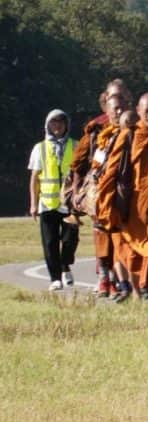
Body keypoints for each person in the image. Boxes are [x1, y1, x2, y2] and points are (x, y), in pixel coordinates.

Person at [70, 80, 131, 297]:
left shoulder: (135, 127)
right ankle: (106, 277)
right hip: (101, 192)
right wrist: (77, 191)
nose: (119, 108)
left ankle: (121, 279)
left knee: (123, 236)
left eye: (123, 100)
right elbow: (78, 163)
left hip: (126, 192)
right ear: (105, 104)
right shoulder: (96, 129)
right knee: (103, 234)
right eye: (113, 101)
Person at [112, 93, 148, 300]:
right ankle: (136, 292)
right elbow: (114, 168)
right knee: (132, 251)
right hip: (134, 200)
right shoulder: (129, 135)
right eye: (146, 111)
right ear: (138, 110)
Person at [28, 109, 79, 290]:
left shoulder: (75, 145)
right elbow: (35, 178)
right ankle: (55, 278)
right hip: (47, 203)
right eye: (53, 122)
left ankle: (66, 265)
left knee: (69, 240)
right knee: (49, 242)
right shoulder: (40, 148)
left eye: (61, 122)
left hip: (69, 204)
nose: (57, 125)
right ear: (48, 125)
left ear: (66, 124)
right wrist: (33, 203)